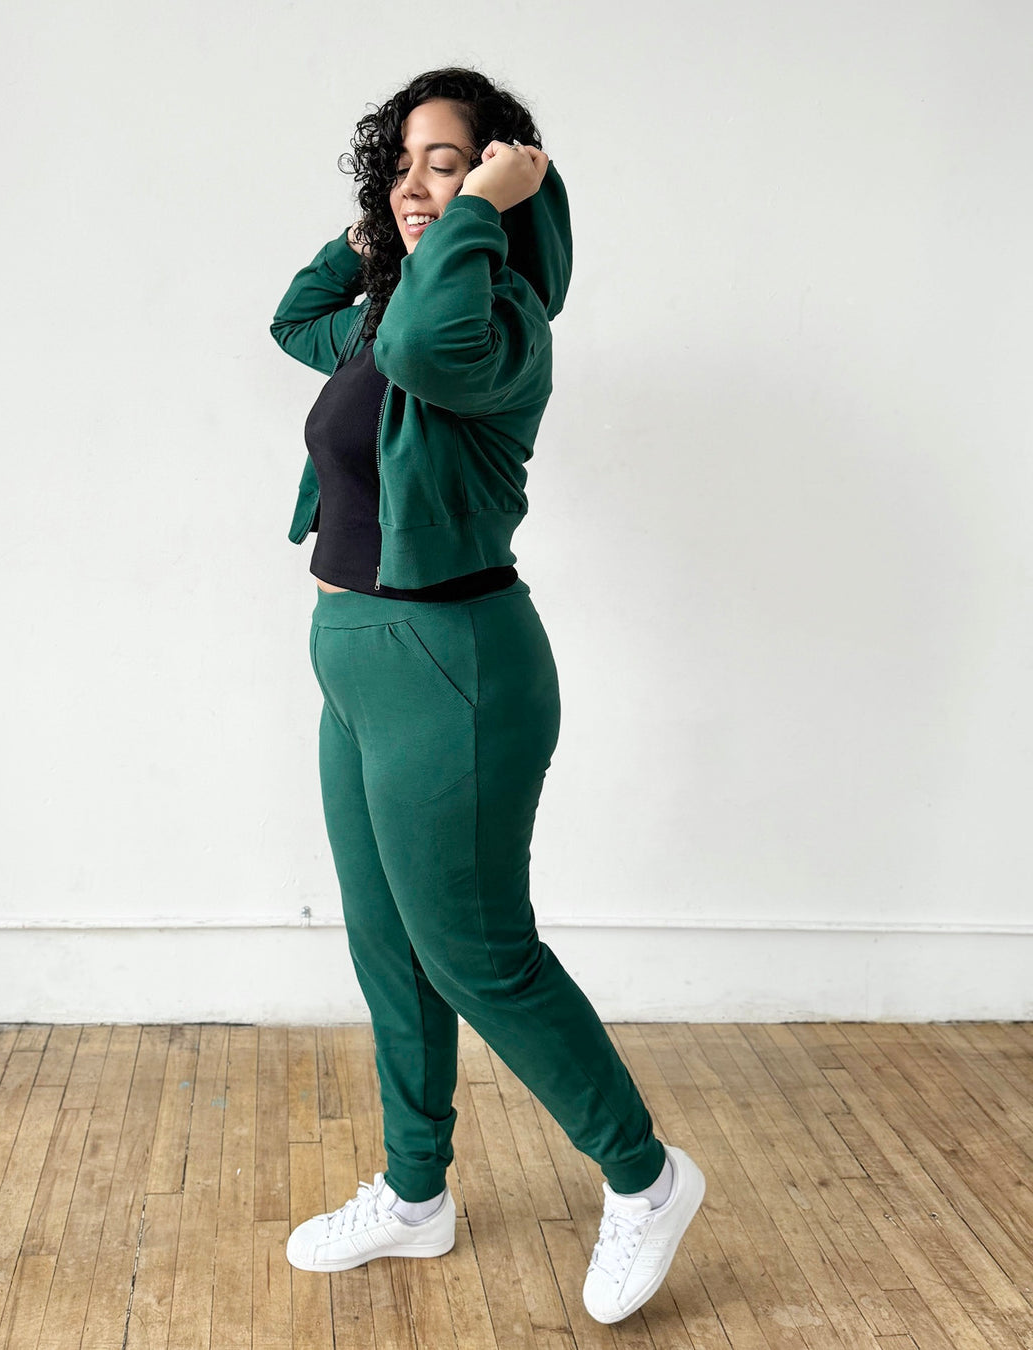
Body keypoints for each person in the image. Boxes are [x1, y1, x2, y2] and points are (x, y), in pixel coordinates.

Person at [269, 66, 705, 1326]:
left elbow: (422, 346)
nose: (420, 184)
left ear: (503, 183)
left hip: (451, 666)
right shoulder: (391, 305)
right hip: (355, 660)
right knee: (390, 947)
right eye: (403, 162)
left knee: (477, 953)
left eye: (449, 161)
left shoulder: (498, 326)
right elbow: (297, 319)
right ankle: (416, 1194)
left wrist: (480, 214)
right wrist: (380, 229)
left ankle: (646, 1176)